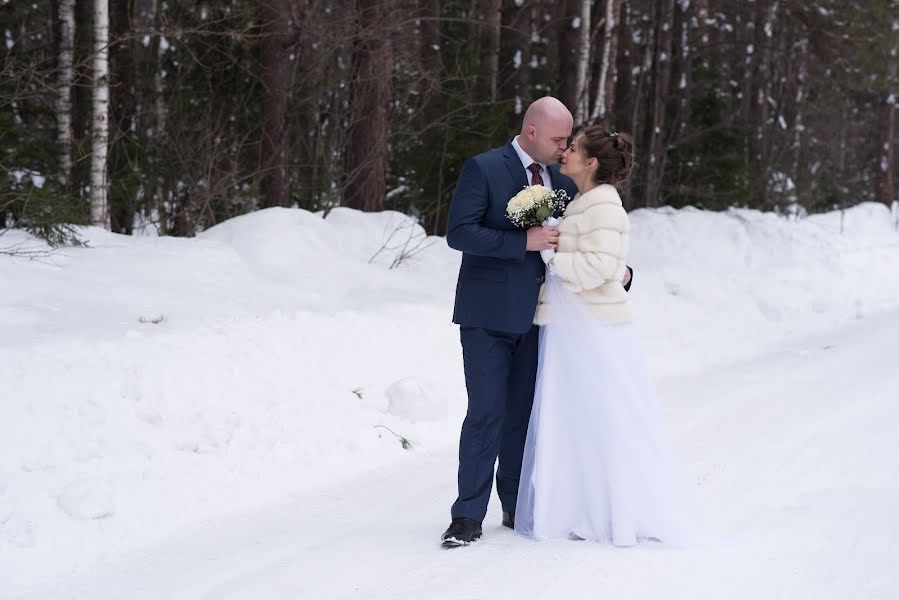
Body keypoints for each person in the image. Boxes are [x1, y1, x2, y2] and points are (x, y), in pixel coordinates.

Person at [441, 98, 632, 547]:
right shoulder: (484, 169)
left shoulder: (563, 182)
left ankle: (517, 507)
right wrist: (520, 241)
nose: (564, 148)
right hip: (487, 316)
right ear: (531, 132)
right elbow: (459, 232)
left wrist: (618, 271)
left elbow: (588, 236)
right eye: (558, 139)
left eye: (569, 141)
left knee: (524, 418)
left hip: (543, 321)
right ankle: (467, 516)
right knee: (486, 414)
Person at [515, 125, 705, 545]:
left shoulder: (603, 205)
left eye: (575, 149)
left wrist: (550, 256)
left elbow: (600, 269)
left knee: (606, 416)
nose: (564, 153)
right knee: (576, 418)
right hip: (573, 326)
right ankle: (580, 505)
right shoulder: (585, 202)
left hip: (594, 327)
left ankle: (616, 513)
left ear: (592, 162)